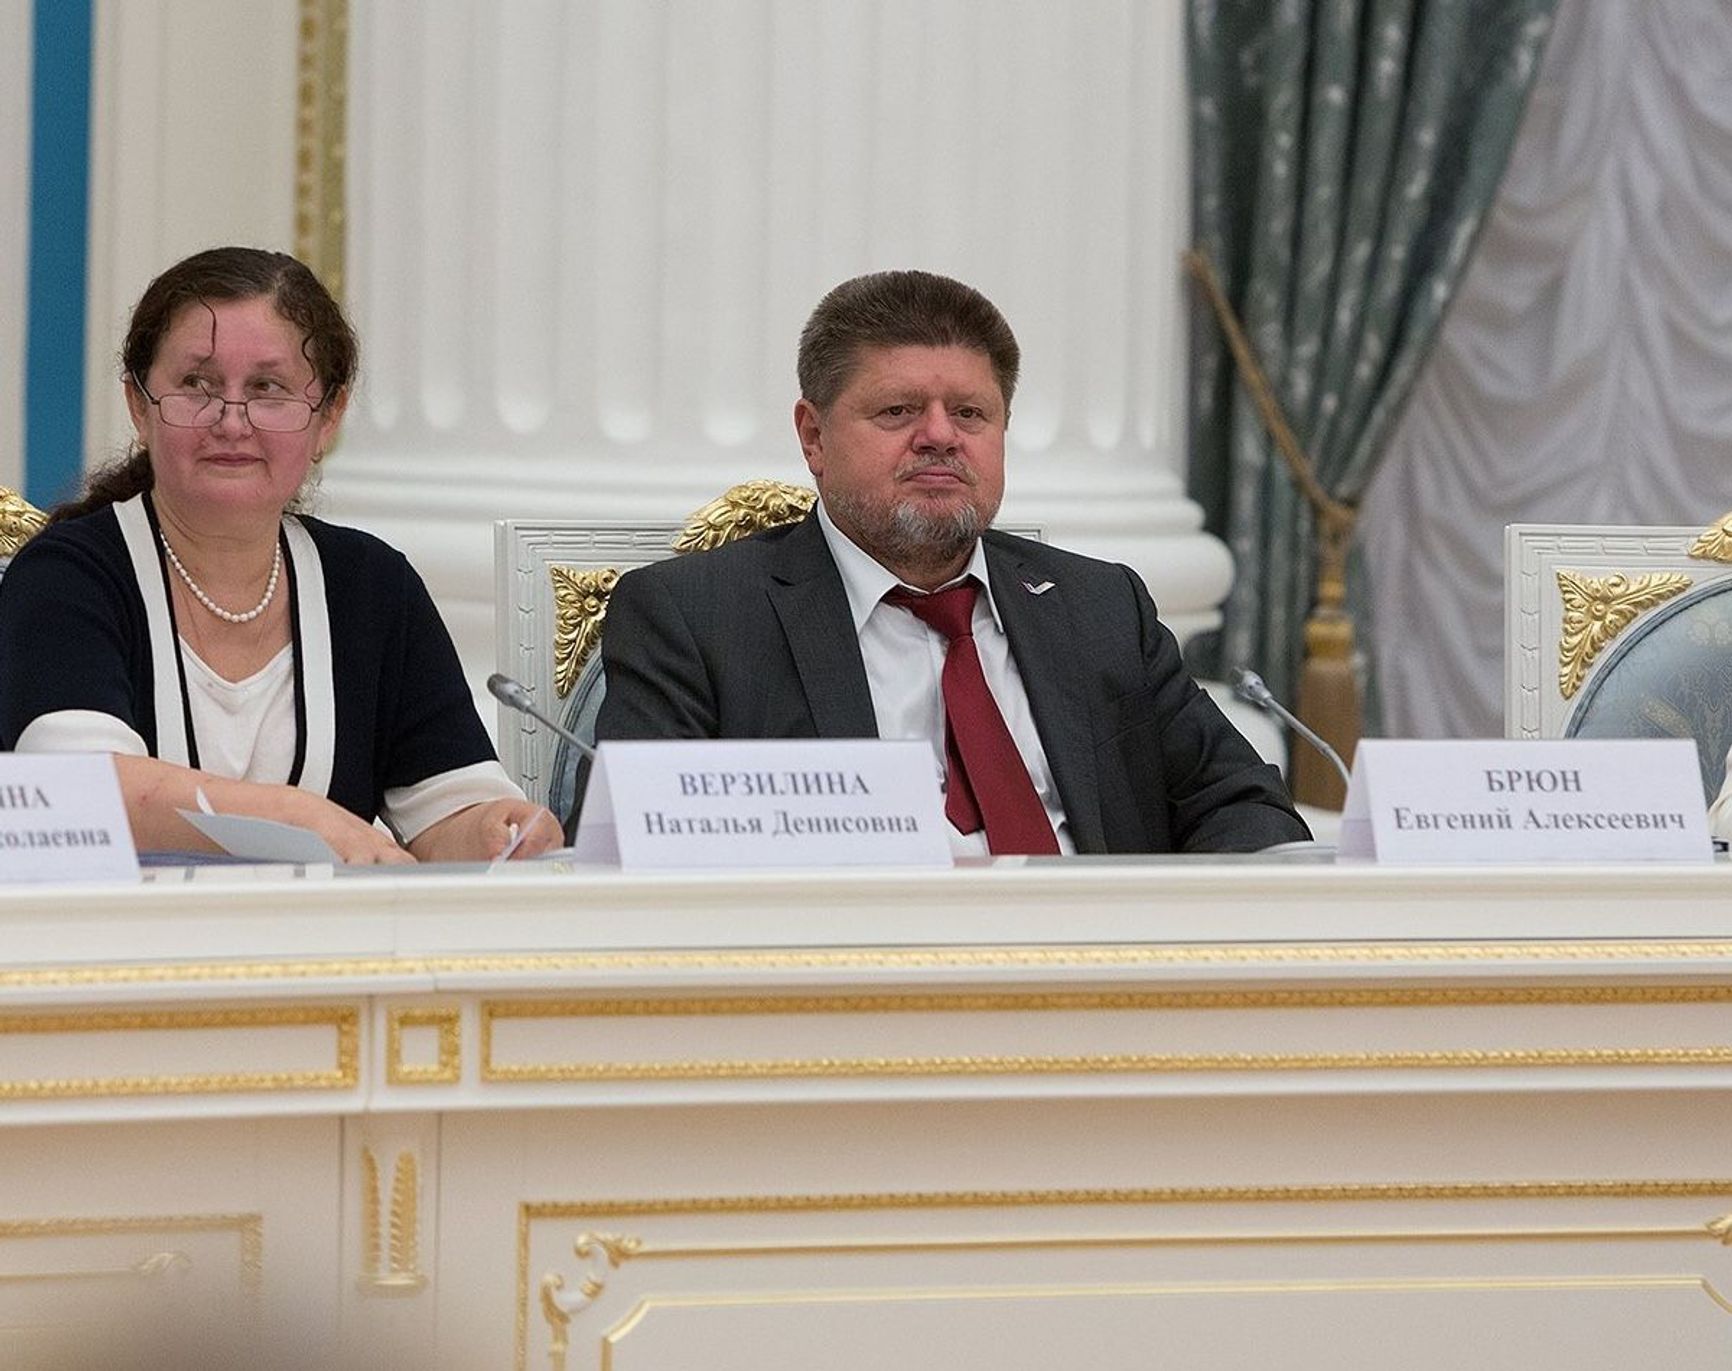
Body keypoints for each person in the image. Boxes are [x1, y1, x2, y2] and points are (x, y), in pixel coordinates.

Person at [594, 269, 1308, 854]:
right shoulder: (695, 619)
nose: (940, 436)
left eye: (970, 414)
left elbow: (1241, 803)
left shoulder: (1100, 606)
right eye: (899, 411)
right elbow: (636, 855)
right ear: (813, 437)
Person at [0, 247, 558, 863]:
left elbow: (452, 811)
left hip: (333, 957)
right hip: (113, 952)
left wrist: (498, 830)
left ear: (329, 417)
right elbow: (83, 792)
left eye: (268, 389)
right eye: (196, 385)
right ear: (139, 404)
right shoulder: (69, 576)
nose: (232, 421)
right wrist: (301, 818)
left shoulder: (371, 586)